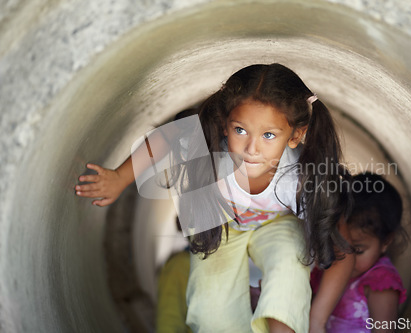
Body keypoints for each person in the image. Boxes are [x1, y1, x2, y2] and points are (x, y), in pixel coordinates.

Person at [75, 63, 354, 332]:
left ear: (295, 136)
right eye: (240, 130)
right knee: (211, 313)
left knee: (289, 273)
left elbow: (342, 247)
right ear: (224, 125)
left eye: (269, 135)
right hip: (221, 226)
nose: (252, 148)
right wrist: (119, 178)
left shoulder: (299, 177)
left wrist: (317, 319)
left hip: (276, 226)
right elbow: (167, 136)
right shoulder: (211, 152)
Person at [310, 172, 408, 333]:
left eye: (358, 250)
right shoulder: (329, 268)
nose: (347, 258)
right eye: (337, 245)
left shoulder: (380, 283)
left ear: (386, 242)